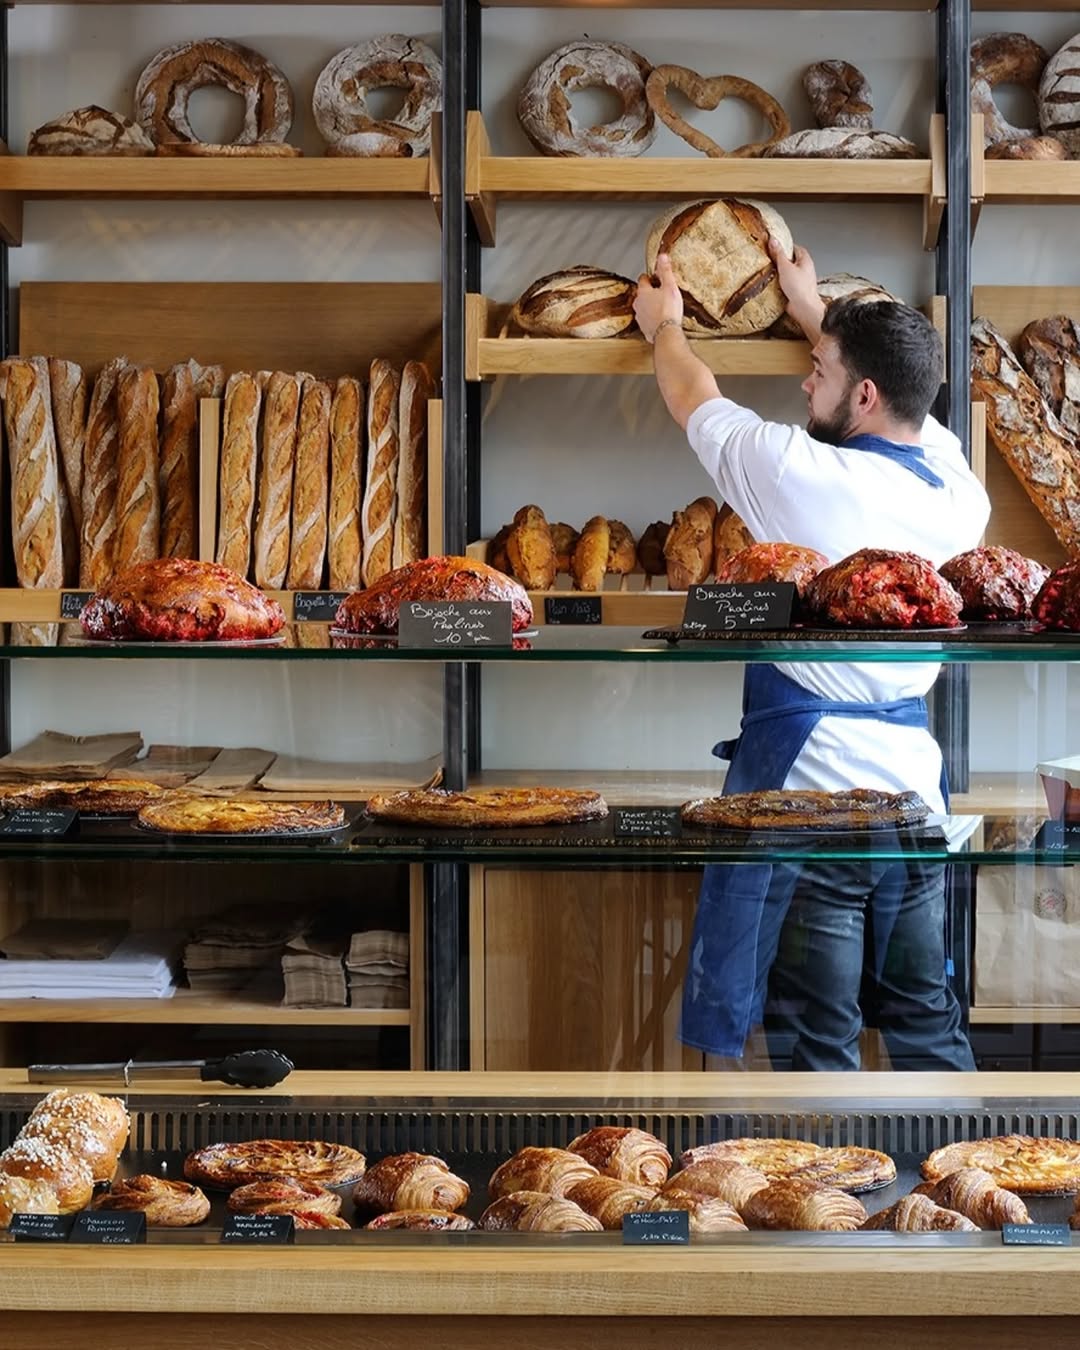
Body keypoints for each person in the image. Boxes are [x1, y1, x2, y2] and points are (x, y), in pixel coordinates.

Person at [633, 240, 991, 1072]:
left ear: (863, 394)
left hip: (817, 808)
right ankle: (962, 1192)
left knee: (818, 1034)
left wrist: (666, 326)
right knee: (925, 1019)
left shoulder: (798, 473)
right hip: (916, 808)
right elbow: (890, 397)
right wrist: (810, 310)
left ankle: (837, 1201)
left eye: (818, 369)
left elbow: (694, 395)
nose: (804, 379)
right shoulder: (954, 486)